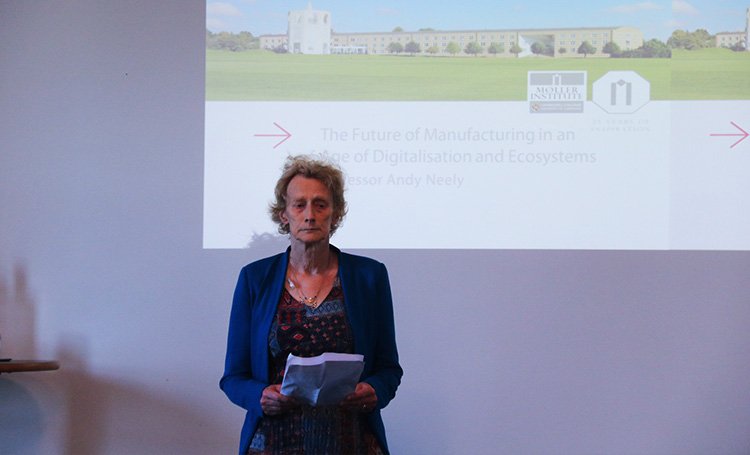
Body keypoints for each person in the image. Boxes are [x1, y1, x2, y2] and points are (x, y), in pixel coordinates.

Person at [220, 155, 403, 454]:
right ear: (284, 214)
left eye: (320, 205)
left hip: (352, 441)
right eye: (299, 205)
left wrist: (374, 390)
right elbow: (233, 378)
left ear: (335, 213)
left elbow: (388, 369)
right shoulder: (255, 278)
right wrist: (260, 396)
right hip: (274, 442)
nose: (310, 215)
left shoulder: (369, 276)